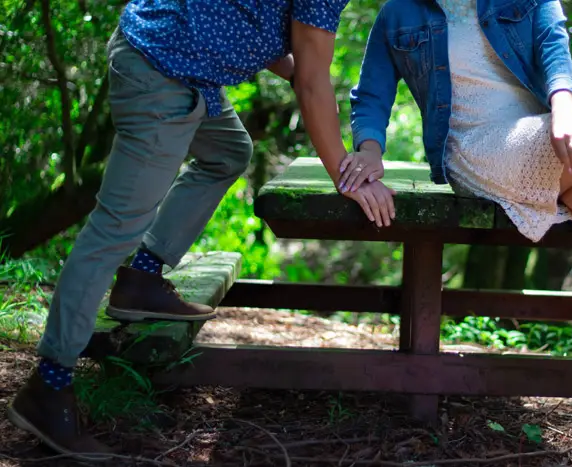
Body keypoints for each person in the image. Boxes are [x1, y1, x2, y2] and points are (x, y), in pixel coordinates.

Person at [7, 0, 397, 459]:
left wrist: (300, 71)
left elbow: (258, 24)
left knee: (228, 151)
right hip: (162, 69)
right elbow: (312, 83)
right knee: (113, 231)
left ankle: (141, 279)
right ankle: (47, 388)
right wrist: (344, 177)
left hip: (176, 59)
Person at [341, 0, 572, 243]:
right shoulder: (398, 13)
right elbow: (370, 97)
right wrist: (370, 151)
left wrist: (563, 109)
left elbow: (552, 44)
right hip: (473, 150)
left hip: (549, 130)